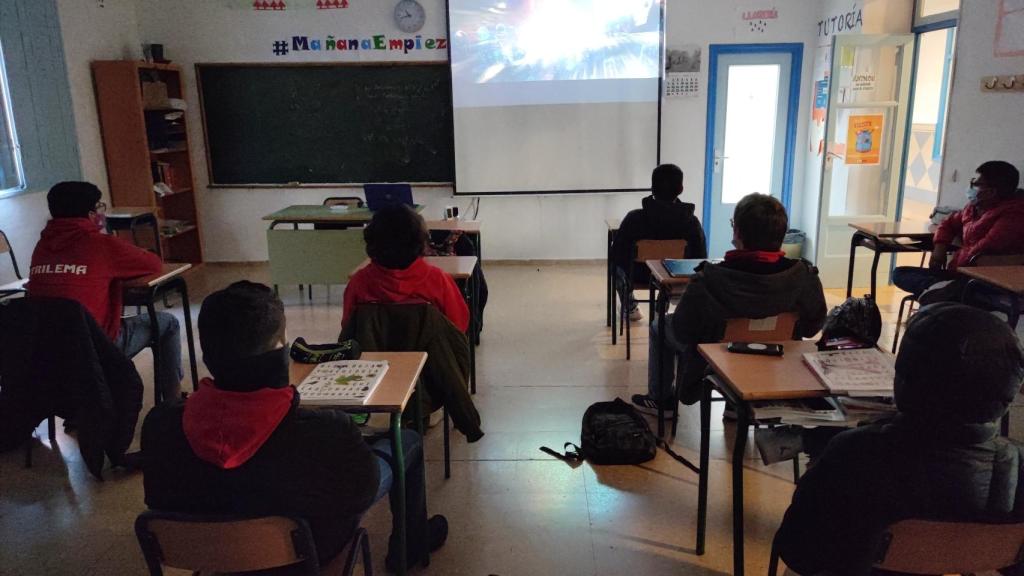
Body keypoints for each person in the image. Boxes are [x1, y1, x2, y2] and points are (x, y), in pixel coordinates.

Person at [142, 281, 448, 571]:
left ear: (208, 356)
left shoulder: (160, 427)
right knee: (405, 440)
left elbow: (159, 500)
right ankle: (409, 547)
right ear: (280, 350)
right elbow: (361, 493)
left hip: (203, 557)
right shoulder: (324, 430)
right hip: (311, 553)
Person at [775, 303, 1024, 575]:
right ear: (1007, 391)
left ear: (905, 380)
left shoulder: (854, 454)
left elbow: (796, 550)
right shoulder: (1018, 466)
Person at [635, 193, 827, 412]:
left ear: (737, 233)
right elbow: (812, 327)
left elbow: (682, 330)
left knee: (659, 326)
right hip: (776, 356)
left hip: (718, 359)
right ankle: (735, 408)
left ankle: (661, 401)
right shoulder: (803, 276)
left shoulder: (709, 279)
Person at [27, 181, 183, 402]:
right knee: (168, 323)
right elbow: (153, 264)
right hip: (95, 348)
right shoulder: (101, 244)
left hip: (48, 350)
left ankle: (78, 411)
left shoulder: (42, 246)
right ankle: (173, 402)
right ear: (91, 214)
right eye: (99, 207)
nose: (102, 213)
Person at [893, 161, 1024, 301]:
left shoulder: (1013, 215)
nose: (971, 187)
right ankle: (940, 289)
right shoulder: (973, 208)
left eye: (976, 184)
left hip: (981, 279)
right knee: (900, 273)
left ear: (991, 192)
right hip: (958, 273)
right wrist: (939, 248)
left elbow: (984, 250)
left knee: (938, 297)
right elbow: (947, 224)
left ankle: (943, 291)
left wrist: (958, 263)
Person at [343, 204, 470, 333]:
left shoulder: (359, 283)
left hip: (372, 352)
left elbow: (348, 328)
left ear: (372, 240)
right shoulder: (438, 280)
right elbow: (459, 326)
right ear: (419, 240)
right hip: (432, 352)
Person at [610, 164, 707, 321]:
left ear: (652, 188)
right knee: (674, 269)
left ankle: (630, 306)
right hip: (673, 278)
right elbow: (700, 259)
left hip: (639, 275)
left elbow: (617, 255)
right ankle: (661, 308)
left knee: (613, 266)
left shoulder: (634, 219)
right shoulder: (691, 222)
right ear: (681, 189)